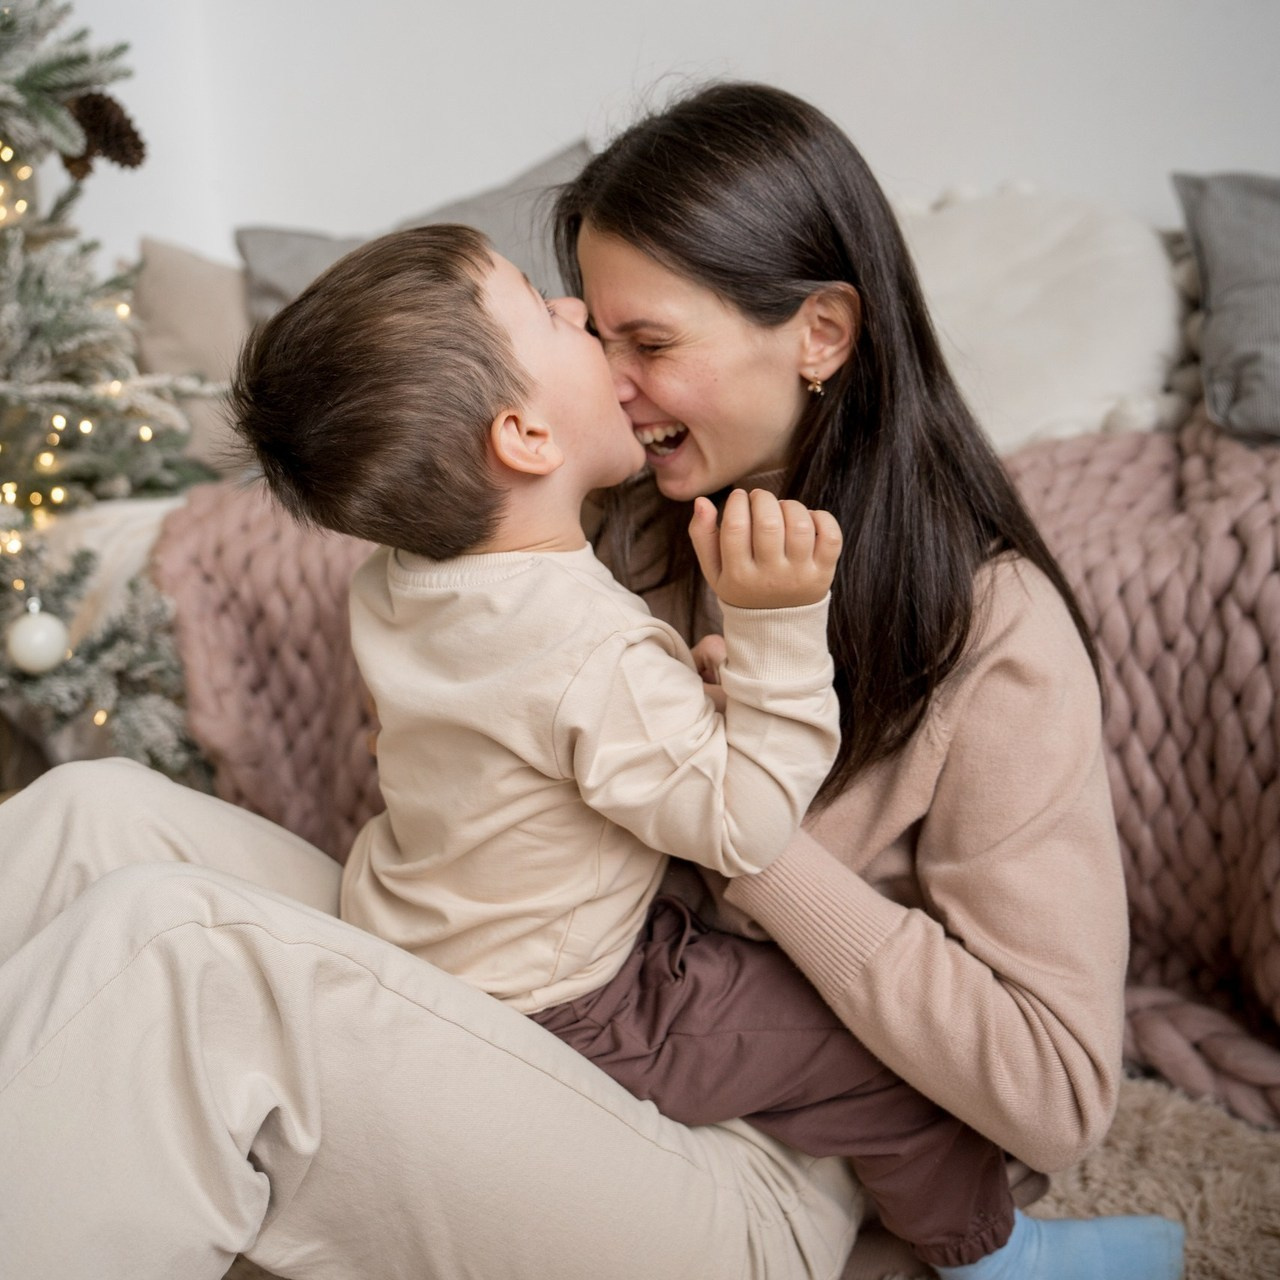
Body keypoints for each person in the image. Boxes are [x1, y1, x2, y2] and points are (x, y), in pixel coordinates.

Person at [0, 80, 1185, 1280]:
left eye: (648, 343)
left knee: (185, 961)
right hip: (542, 1020)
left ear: (819, 334)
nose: (609, 378)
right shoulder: (610, 522)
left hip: (747, 1160)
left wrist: (745, 828)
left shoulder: (992, 631)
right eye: (590, 334)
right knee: (91, 815)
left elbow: (1055, 1095)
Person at [230, 218, 1075, 1277]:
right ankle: (998, 1257)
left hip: (428, 943)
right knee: (876, 1066)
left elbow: (533, 722)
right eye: (550, 314)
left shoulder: (396, 583)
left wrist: (677, 694)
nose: (576, 314)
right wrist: (774, 630)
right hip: (580, 1004)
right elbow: (744, 822)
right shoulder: (588, 644)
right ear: (524, 436)